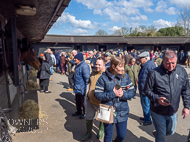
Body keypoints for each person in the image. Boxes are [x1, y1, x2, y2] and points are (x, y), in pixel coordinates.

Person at [143, 50, 190, 142]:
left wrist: (186, 106)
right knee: (161, 137)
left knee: (171, 131)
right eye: (168, 63)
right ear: (163, 61)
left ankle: (159, 132)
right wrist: (157, 99)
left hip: (173, 110)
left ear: (176, 60)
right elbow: (146, 90)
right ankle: (160, 134)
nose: (171, 66)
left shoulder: (181, 71)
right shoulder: (154, 73)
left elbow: (186, 90)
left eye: (173, 63)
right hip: (158, 110)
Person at [94, 57, 135, 142]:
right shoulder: (103, 78)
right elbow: (97, 94)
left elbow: (132, 92)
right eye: (120, 67)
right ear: (113, 66)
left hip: (122, 111)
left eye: (123, 66)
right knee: (108, 136)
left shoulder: (126, 77)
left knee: (122, 136)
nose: (123, 69)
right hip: (107, 110)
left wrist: (123, 94)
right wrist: (112, 94)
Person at [82, 57, 106, 141]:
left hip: (101, 102)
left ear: (104, 65)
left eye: (99, 65)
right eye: (96, 64)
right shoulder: (93, 72)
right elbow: (89, 82)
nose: (97, 66)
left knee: (102, 118)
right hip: (90, 100)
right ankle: (89, 132)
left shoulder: (107, 74)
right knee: (88, 117)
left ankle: (100, 131)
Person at [138, 51, 156, 126]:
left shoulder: (149, 65)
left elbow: (154, 78)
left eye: (141, 58)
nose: (139, 59)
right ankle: (146, 117)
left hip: (146, 90)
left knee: (146, 104)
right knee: (145, 104)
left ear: (146, 58)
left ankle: (148, 120)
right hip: (143, 88)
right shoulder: (145, 65)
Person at [72, 52, 90, 119]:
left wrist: (86, 89)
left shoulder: (84, 66)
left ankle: (85, 113)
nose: (74, 59)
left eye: (75, 58)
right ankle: (79, 111)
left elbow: (87, 78)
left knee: (83, 102)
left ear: (79, 59)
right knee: (78, 101)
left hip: (82, 88)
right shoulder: (78, 65)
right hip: (77, 87)